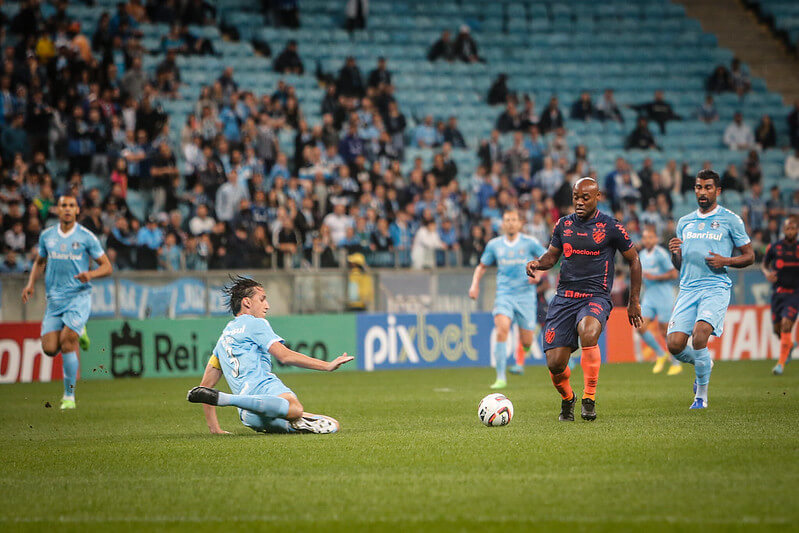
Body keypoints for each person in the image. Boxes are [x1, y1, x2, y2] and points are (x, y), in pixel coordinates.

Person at [526, 178, 642, 421]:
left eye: (585, 197)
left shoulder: (611, 226)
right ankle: (569, 399)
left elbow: (634, 259)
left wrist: (634, 301)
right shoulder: (563, 225)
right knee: (555, 363)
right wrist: (538, 263)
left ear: (597, 196)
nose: (579, 202)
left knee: (589, 332)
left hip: (595, 296)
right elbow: (551, 256)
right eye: (576, 197)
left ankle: (589, 398)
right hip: (564, 297)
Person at [187, 276, 353, 434]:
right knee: (295, 408)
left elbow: (204, 387)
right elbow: (284, 356)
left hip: (248, 415)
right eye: (262, 299)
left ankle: (291, 423)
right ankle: (227, 399)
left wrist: (214, 429)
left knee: (315, 424)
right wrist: (327, 365)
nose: (267, 305)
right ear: (247, 302)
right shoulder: (256, 323)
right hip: (265, 389)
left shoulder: (223, 339)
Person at [667, 170, 754, 409]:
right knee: (674, 345)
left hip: (715, 287)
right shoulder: (684, 222)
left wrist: (725, 261)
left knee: (700, 334)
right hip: (687, 289)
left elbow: (750, 256)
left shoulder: (730, 219)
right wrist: (676, 253)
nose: (702, 192)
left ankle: (701, 397)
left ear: (718, 191)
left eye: (707, 187)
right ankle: (704, 362)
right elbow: (679, 265)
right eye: (698, 187)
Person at [21, 195, 113, 409]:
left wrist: (90, 274)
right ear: (57, 210)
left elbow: (107, 266)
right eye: (64, 205)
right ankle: (80, 331)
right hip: (54, 299)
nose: (68, 209)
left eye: (72, 205)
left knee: (67, 341)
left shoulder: (86, 237)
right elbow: (39, 262)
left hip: (78, 297)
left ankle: (69, 397)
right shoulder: (47, 236)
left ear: (77, 210)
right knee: (50, 348)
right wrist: (30, 284)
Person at [469, 209, 547, 388]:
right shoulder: (494, 245)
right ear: (503, 224)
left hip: (526, 296)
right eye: (507, 220)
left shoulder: (530, 243)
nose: (511, 223)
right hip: (504, 295)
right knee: (502, 329)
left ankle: (522, 356)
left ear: (520, 224)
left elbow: (548, 259)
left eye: (514, 220)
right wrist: (474, 285)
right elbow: (481, 267)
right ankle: (500, 377)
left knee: (527, 340)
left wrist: (539, 274)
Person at [638, 226, 682, 375]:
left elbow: (673, 274)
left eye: (650, 237)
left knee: (664, 331)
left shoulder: (661, 254)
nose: (647, 240)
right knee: (640, 326)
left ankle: (676, 362)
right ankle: (660, 354)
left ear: (655, 239)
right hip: (649, 296)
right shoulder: (642, 254)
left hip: (663, 295)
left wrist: (654, 277)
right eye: (645, 238)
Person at [762, 218, 799, 375]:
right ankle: (789, 345)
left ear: (797, 230)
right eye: (788, 228)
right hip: (778, 294)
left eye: (793, 228)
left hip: (795, 294)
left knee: (785, 324)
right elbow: (764, 264)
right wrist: (767, 273)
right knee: (777, 330)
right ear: (783, 230)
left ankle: (780, 364)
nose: (790, 231)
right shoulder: (775, 247)